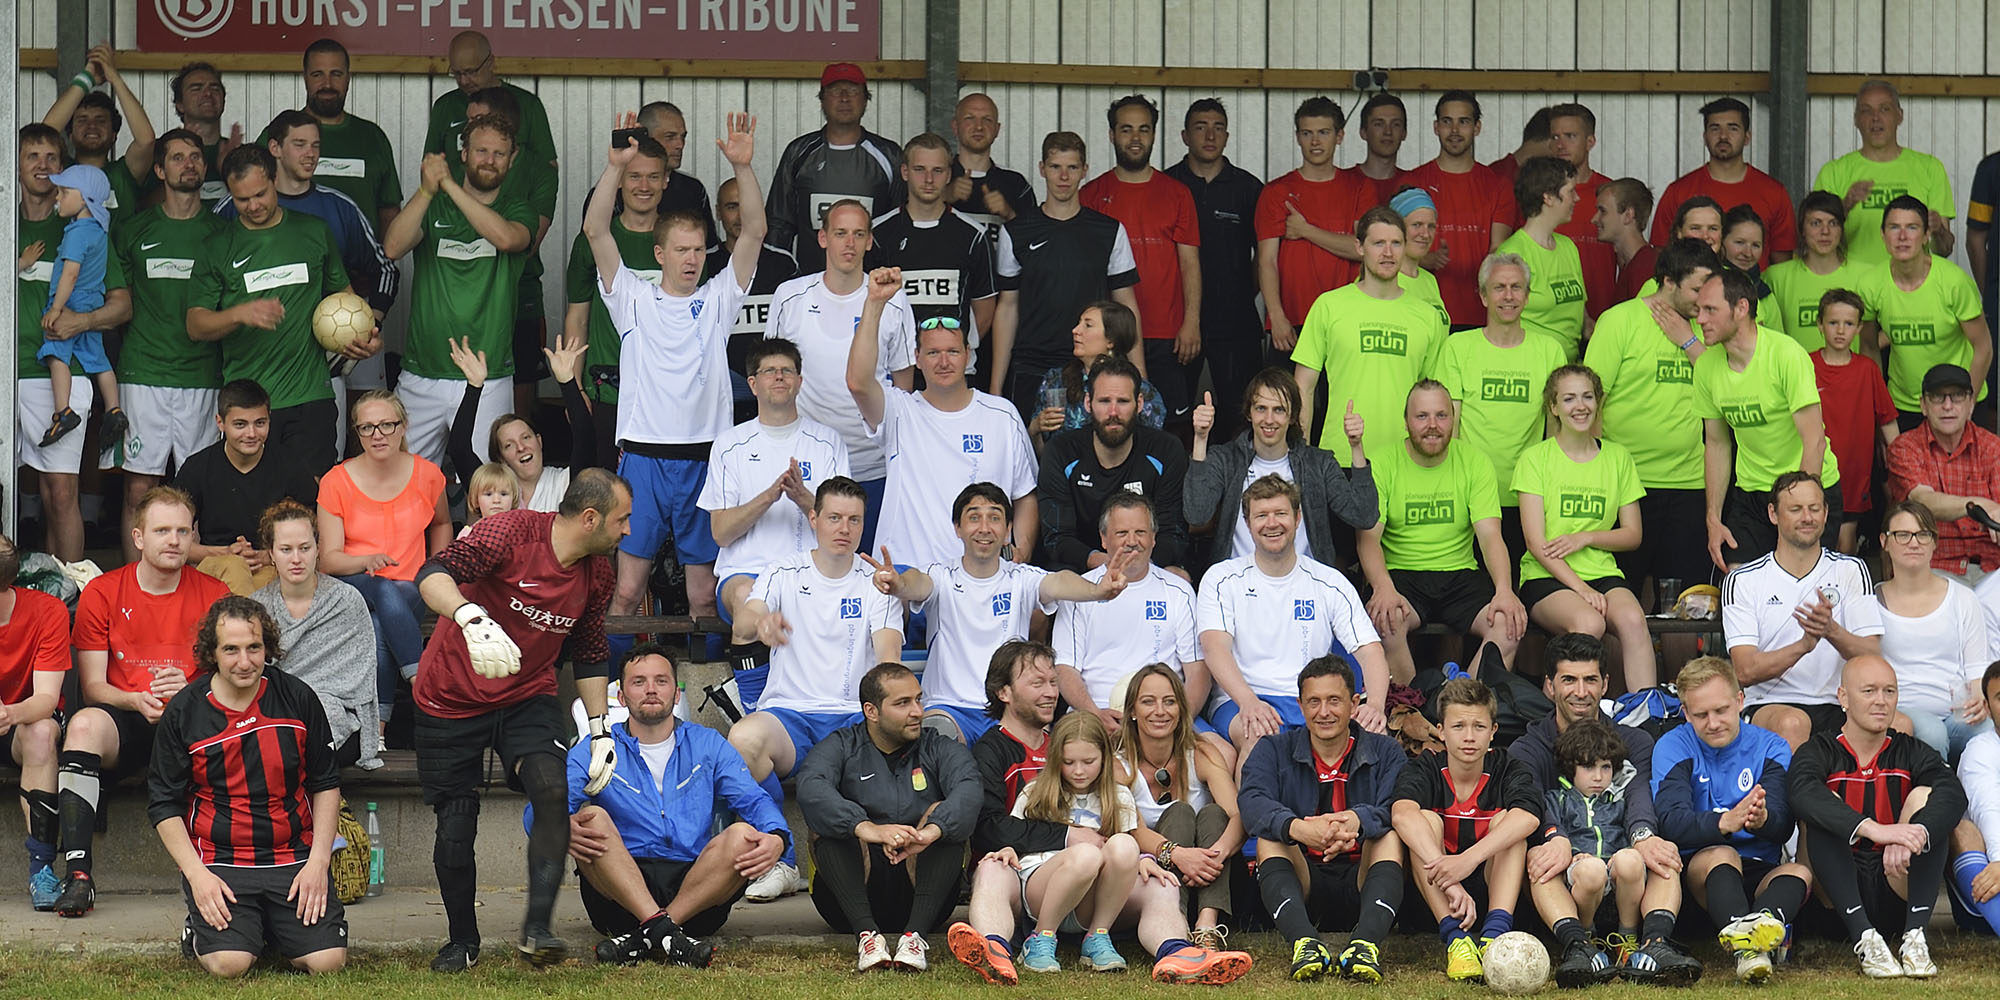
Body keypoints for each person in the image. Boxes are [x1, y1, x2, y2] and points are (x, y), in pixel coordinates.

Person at [410, 469, 627, 971]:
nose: (628, 531)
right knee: (455, 825)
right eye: (622, 520)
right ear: (590, 518)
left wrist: (599, 730)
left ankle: (537, 931)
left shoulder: (599, 573)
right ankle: (462, 940)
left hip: (528, 694)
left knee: (553, 790)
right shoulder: (510, 531)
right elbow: (432, 573)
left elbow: (590, 650)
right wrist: (469, 616)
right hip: (450, 695)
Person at [948, 643, 1251, 985]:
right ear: (1004, 691)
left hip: (1099, 896)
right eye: (1038, 683)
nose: (1051, 692)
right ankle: (995, 949)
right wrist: (1053, 839)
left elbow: (1125, 834)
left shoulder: (1089, 765)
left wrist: (1147, 858)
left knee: (1160, 884)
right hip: (1033, 883)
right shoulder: (998, 756)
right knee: (993, 867)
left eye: (1053, 682)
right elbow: (991, 828)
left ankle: (1176, 952)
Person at [589, 113, 764, 626]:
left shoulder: (718, 300)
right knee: (626, 592)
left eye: (698, 250)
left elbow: (753, 230)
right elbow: (596, 229)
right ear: (660, 253)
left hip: (705, 461)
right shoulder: (633, 300)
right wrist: (615, 168)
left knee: (704, 600)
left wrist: (744, 167)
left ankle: (708, 692)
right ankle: (613, 695)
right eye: (680, 250)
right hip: (642, 460)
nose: (690, 259)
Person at [53, 487, 231, 917]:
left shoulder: (215, 592)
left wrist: (188, 690)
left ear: (193, 537)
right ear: (138, 537)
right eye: (162, 530)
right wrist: (135, 699)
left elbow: (235, 676)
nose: (173, 540)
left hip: (193, 719)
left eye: (182, 531)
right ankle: (78, 876)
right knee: (82, 725)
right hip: (128, 715)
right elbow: (93, 686)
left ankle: (230, 868)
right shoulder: (102, 591)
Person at [149, 597, 346, 978]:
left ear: (267, 647)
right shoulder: (185, 711)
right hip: (221, 859)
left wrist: (319, 862)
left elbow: (326, 783)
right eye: (231, 650)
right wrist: (197, 876)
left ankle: (267, 925)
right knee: (230, 964)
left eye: (254, 648)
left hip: (292, 855)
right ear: (212, 653)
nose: (245, 661)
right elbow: (163, 804)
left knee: (327, 962)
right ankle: (206, 928)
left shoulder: (298, 698)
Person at [727, 477, 903, 902]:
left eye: (854, 520)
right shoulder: (782, 571)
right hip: (789, 716)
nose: (844, 528)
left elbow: (889, 658)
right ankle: (782, 859)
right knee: (743, 739)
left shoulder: (877, 582)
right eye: (834, 518)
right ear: (814, 518)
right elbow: (744, 621)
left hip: (852, 719)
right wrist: (762, 623)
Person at [565, 642, 788, 968]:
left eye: (661, 680)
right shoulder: (597, 747)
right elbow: (544, 807)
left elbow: (753, 799)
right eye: (638, 682)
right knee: (591, 817)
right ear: (622, 697)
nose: (651, 689)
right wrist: (558, 826)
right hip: (618, 894)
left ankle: (650, 934)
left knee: (742, 834)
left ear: (677, 693)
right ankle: (668, 934)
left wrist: (778, 836)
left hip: (697, 892)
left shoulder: (707, 743)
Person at [863, 483, 1130, 743]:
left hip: (1008, 709)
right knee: (938, 733)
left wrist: (1097, 590)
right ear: (958, 528)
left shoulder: (1021, 578)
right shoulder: (940, 575)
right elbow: (916, 582)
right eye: (974, 517)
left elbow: (1058, 582)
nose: (984, 528)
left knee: (1038, 734)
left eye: (994, 518)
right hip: (950, 710)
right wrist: (898, 584)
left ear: (1007, 530)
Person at [1509, 634, 1701, 984]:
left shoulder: (1636, 741)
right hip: (1570, 878)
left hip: (1627, 873)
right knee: (1537, 853)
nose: (1580, 691)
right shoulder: (1529, 746)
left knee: (1662, 853)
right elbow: (1531, 799)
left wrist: (1643, 836)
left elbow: (1640, 793)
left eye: (1590, 680)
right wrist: (1555, 836)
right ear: (1549, 687)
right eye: (1569, 680)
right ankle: (1578, 947)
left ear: (1605, 684)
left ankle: (1654, 944)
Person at [189, 145, 378, 477]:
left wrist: (366, 338)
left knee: (312, 498)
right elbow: (195, 325)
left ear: (274, 179)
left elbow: (347, 303)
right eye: (242, 199)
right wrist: (239, 314)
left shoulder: (313, 232)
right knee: (255, 504)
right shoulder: (217, 246)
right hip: (250, 405)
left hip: (310, 396)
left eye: (260, 194)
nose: (253, 205)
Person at [1790, 654, 1966, 978]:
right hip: (1835, 899)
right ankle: (1864, 938)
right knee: (1820, 805)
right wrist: (1875, 830)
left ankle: (1915, 936)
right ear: (1843, 697)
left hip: (1894, 883)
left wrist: (1914, 832)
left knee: (1926, 799)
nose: (1881, 701)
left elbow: (1954, 794)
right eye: (1869, 691)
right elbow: (1800, 793)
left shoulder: (1911, 750)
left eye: (1889, 691)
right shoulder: (1818, 750)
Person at [852, 265, 1038, 571]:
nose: (943, 361)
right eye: (933, 352)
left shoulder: (1002, 415)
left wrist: (1022, 551)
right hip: (908, 577)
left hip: (984, 576)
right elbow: (858, 382)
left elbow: (1025, 495)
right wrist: (874, 304)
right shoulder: (900, 411)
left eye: (952, 351)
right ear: (917, 357)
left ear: (968, 354)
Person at [798, 663, 977, 971]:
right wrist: (865, 827)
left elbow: (969, 789)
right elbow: (811, 787)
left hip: (926, 897)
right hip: (847, 901)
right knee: (827, 825)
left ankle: (914, 938)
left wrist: (930, 832)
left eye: (919, 700)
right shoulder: (842, 745)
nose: (918, 711)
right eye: (903, 703)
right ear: (872, 710)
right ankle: (867, 936)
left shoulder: (937, 746)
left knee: (945, 820)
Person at [1239, 655, 1407, 983]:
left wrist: (1357, 822)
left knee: (1390, 834)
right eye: (1313, 702)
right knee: (1271, 836)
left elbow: (1400, 805)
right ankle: (1304, 943)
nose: (1324, 712)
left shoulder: (1386, 751)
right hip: (1302, 880)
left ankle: (1365, 945)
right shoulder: (1272, 749)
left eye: (1334, 700)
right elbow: (1251, 802)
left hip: (1363, 877)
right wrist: (1300, 829)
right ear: (1300, 705)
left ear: (1354, 703)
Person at [381, 112, 535, 469]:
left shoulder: (518, 209)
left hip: (489, 374)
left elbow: (505, 238)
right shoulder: (432, 203)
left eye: (499, 153)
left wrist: (448, 185)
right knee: (405, 480)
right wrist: (426, 191)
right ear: (463, 153)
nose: (490, 160)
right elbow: (392, 247)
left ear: (512, 159)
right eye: (481, 151)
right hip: (423, 372)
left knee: (489, 486)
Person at [1199, 475, 1391, 758]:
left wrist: (1374, 704)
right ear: (1247, 523)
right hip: (1242, 699)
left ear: (1298, 518)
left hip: (1314, 700)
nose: (1272, 523)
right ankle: (1250, 806)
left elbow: (1369, 649)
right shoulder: (1221, 578)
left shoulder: (1329, 581)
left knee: (1373, 737)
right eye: (1261, 515)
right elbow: (1214, 648)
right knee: (1260, 739)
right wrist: (1248, 701)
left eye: (1281, 513)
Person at [1650, 656, 1812, 985]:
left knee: (1800, 872)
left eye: (1721, 710)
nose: (1713, 723)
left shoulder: (1771, 746)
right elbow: (1671, 822)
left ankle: (1760, 926)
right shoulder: (1672, 745)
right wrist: (1725, 822)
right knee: (1722, 853)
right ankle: (1749, 952)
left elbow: (1782, 825)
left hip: (1758, 869)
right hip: (1701, 877)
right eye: (1701, 714)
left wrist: (1762, 819)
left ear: (1740, 701)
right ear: (1685, 713)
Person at [768, 200, 916, 550]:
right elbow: (773, 382)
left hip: (873, 466)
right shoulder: (789, 297)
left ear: (869, 241)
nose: (849, 243)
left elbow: (904, 389)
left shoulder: (892, 300)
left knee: (869, 575)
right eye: (840, 233)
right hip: (808, 466)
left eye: (858, 234)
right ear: (822, 238)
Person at [1358, 380, 1526, 682]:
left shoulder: (1475, 461)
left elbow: (1490, 537)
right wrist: (1382, 586)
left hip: (1459, 573)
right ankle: (1411, 714)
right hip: (1401, 573)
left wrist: (1504, 589)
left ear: (1454, 417)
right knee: (1387, 620)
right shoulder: (1383, 462)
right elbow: (1368, 538)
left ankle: (1465, 708)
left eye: (1441, 415)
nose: (1432, 425)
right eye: (1422, 416)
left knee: (1507, 624)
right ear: (1406, 421)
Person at [111, 129, 227, 561]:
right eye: (177, 158)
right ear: (159, 170)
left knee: (194, 490)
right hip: (144, 375)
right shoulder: (134, 230)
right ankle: (134, 583)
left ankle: (190, 583)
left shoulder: (222, 230)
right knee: (139, 487)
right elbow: (115, 303)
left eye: (196, 156)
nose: (189, 164)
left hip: (203, 376)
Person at [18, 123, 131, 562]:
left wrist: (80, 320)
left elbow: (121, 306)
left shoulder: (82, 233)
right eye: (33, 157)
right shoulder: (7, 226)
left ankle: (67, 596)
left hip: (61, 373)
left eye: (52, 158)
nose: (43, 166)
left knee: (60, 492)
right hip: (8, 374)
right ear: (17, 164)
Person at [1585, 239, 1720, 603]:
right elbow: (1591, 402)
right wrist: (1599, 474)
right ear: (1668, 281)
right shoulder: (1620, 320)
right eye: (1695, 289)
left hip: (1689, 484)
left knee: (1687, 602)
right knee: (1616, 598)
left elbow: (1725, 390)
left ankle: (1684, 666)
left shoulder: (1708, 327)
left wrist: (1690, 340)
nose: (1702, 300)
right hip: (1627, 486)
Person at [1513, 366, 1656, 689]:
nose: (1580, 406)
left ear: (1598, 402)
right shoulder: (1535, 459)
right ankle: (1576, 716)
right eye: (1569, 398)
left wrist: (1586, 537)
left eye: (1588, 396)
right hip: (1546, 575)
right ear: (1554, 407)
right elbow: (1537, 543)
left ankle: (1645, 718)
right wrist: (1581, 589)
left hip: (1602, 572)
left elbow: (1632, 535)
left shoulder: (1618, 458)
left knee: (1634, 620)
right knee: (1588, 622)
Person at [316, 391, 451, 726]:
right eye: (367, 428)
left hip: (410, 588)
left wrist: (437, 568)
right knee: (383, 589)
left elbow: (443, 523)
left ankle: (376, 730)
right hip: (351, 586)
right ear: (357, 433)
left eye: (386, 425)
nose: (377, 435)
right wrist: (366, 562)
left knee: (382, 618)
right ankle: (423, 685)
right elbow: (328, 561)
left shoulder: (428, 474)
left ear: (403, 427)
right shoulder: (337, 481)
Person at [1391, 676, 1539, 982]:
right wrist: (1450, 879)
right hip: (1438, 897)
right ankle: (1456, 941)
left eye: (1479, 727)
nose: (1469, 737)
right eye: (1458, 727)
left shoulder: (1508, 767)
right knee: (1424, 821)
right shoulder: (1426, 767)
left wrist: (1466, 860)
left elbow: (1529, 817)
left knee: (1508, 824)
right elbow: (1401, 815)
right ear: (1441, 731)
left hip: (1492, 887)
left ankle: (1492, 939)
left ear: (1493, 732)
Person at [1721, 472, 1884, 749]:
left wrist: (1831, 631)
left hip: (1840, 702)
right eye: (1795, 509)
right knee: (1794, 723)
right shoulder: (1744, 579)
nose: (1807, 517)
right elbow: (1745, 671)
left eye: (1814, 508)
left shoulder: (1851, 570)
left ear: (1826, 513)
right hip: (1770, 704)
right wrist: (1804, 645)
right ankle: (1798, 794)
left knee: (1901, 723)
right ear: (1773, 514)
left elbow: (1872, 656)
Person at [989, 130, 1141, 422]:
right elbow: (1007, 307)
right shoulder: (1016, 232)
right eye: (1056, 167)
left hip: (1092, 367)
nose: (1063, 176)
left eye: (1072, 167)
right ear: (1042, 169)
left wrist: (1139, 375)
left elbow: (1126, 307)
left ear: (1085, 171)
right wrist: (996, 388)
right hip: (1031, 364)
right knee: (1030, 456)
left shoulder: (1109, 231)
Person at [1694, 268, 1842, 568]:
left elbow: (1813, 442)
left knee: (1801, 599)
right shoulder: (1707, 366)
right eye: (1698, 310)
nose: (1700, 319)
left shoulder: (1785, 353)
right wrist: (1713, 518)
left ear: (1741, 308)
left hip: (1807, 487)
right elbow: (1717, 445)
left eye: (1710, 309)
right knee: (1738, 585)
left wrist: (1801, 510)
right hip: (1752, 493)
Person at [700, 338, 852, 626]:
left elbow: (845, 525)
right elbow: (720, 533)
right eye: (769, 371)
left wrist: (803, 496)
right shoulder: (729, 444)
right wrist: (768, 497)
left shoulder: (828, 442)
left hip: (814, 570)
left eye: (787, 370)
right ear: (754, 384)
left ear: (799, 382)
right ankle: (754, 674)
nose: (779, 376)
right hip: (746, 572)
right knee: (750, 597)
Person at [1438, 252, 1569, 557]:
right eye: (1499, 288)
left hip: (1528, 496)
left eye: (1516, 287)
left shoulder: (1550, 350)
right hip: (1472, 496)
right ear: (1483, 296)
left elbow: (1556, 432)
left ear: (1527, 295)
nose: (1508, 296)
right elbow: (1450, 427)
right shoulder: (1457, 347)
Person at [1291, 205, 1447, 459]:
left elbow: (1434, 397)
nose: (1388, 252)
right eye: (1378, 243)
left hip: (1405, 460)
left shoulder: (1428, 316)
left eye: (1396, 243)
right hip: (1339, 456)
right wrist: (1301, 457)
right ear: (1359, 247)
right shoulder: (1329, 306)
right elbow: (1303, 388)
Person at [1082, 95, 1203, 421]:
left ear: (1153, 135)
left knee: (1169, 425)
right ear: (1111, 135)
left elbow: (1189, 262)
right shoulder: (1091, 194)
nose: (1135, 138)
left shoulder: (1177, 193)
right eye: (1126, 129)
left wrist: (1191, 322)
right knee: (1111, 423)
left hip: (1167, 333)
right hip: (1109, 336)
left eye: (1144, 130)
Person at [1188, 366, 1377, 569]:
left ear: (1293, 416)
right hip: (1239, 583)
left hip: (1305, 585)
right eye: (1261, 408)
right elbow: (1196, 515)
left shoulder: (1318, 462)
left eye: (1279, 410)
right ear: (1249, 413)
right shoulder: (1226, 459)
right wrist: (1200, 439)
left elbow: (1363, 516)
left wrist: (1356, 446)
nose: (1269, 419)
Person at [222, 111, 397, 326]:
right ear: (275, 148)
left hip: (327, 346)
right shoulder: (233, 207)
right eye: (299, 144)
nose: (310, 153)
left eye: (315, 145)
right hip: (252, 349)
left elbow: (385, 269)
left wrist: (372, 323)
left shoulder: (340, 207)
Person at [1052, 493, 1207, 726]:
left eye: (1141, 532)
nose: (1132, 541)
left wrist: (1179, 722)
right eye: (1122, 533)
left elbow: (1198, 671)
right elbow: (1064, 670)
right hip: (1094, 714)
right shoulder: (1080, 591)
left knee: (1221, 753)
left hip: (1165, 716)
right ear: (1103, 539)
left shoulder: (1179, 591)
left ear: (1154, 538)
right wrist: (1095, 714)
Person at [1118, 663, 1243, 944]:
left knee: (1213, 813)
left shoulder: (1201, 752)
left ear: (1181, 709)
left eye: (1169, 701)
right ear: (1132, 712)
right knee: (1180, 811)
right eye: (1148, 702)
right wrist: (1179, 855)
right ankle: (1176, 921)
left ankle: (1207, 927)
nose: (1160, 711)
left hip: (1211, 873)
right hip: (1151, 876)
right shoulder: (1119, 763)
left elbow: (1238, 815)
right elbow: (1132, 830)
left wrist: (1214, 857)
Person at [249, 500, 380, 769]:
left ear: (317, 549)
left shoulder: (346, 601)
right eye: (286, 549)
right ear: (271, 554)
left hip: (338, 719)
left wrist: (308, 701)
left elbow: (361, 676)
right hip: (271, 716)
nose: (296, 559)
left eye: (304, 548)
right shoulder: (256, 608)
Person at [566, 132, 673, 447]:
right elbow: (578, 318)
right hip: (605, 389)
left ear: (666, 180)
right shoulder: (593, 241)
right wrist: (575, 389)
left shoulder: (682, 240)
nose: (644, 186)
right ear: (620, 182)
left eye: (653, 177)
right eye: (634, 176)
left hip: (664, 393)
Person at [1167, 98, 1264, 438]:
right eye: (1200, 127)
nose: (1210, 136)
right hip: (1177, 321)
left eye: (1218, 128)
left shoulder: (1248, 189)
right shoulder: (1167, 186)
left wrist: (1240, 292)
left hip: (1236, 321)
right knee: (1174, 415)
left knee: (1242, 413)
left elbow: (1265, 256)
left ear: (1227, 136)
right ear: (1184, 136)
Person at [1039, 358, 1189, 572]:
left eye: (1123, 401)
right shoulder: (1061, 451)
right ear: (1088, 403)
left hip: (1149, 565)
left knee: (1180, 576)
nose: (1113, 413)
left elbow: (1173, 534)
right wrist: (1102, 563)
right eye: (1104, 401)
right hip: (1082, 568)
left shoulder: (1165, 450)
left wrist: (1137, 567)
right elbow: (1057, 538)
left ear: (1140, 403)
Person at [174, 381, 320, 596]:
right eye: (240, 425)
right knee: (235, 567)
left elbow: (315, 537)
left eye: (260, 423)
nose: (251, 433)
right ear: (220, 423)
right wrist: (225, 553)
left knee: (271, 578)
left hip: (274, 564)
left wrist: (267, 555)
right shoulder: (198, 468)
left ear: (270, 419)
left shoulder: (290, 466)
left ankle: (245, 625)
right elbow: (172, 541)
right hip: (214, 566)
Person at [1536, 720, 1655, 986]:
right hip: (1581, 880)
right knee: (1592, 870)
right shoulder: (1558, 799)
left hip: (1619, 884)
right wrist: (1574, 853)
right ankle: (1587, 941)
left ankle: (1627, 940)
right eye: (1589, 767)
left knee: (1631, 859)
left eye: (1606, 767)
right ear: (1571, 767)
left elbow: (1630, 835)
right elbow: (1556, 834)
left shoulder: (1619, 802)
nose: (1599, 777)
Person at [1857, 195, 1992, 425]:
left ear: (1927, 235)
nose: (1902, 237)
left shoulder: (1953, 282)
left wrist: (1966, 405)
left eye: (1912, 227)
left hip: (1957, 401)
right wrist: (1880, 410)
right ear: (1883, 235)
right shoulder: (1870, 284)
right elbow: (1869, 348)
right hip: (1903, 404)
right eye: (1894, 227)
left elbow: (1983, 347)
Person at [1870, 501, 1989, 759]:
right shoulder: (1871, 602)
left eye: (1923, 535)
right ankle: (1938, 797)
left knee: (1988, 729)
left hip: (1957, 710)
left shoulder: (1963, 597)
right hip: (1902, 710)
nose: (1914, 543)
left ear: (1934, 542)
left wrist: (1980, 699)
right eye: (1902, 535)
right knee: (1932, 734)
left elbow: (1977, 669)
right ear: (1884, 541)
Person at [764, 63, 902, 274]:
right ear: (822, 99)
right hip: (809, 285)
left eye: (853, 91)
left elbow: (899, 224)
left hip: (870, 286)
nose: (844, 98)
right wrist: (775, 275)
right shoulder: (799, 152)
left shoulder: (889, 155)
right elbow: (779, 223)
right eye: (836, 91)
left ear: (866, 99)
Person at [867, 133, 998, 354]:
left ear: (948, 175)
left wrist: (950, 355)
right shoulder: (878, 233)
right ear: (905, 172)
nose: (929, 179)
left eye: (937, 171)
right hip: (893, 367)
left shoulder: (973, 235)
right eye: (920, 169)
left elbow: (984, 313)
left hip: (952, 371)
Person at [1257, 97, 1363, 353]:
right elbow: (1266, 261)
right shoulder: (1276, 192)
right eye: (1307, 133)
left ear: (1340, 136)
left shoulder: (1358, 187)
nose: (1315, 141)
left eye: (1324, 132)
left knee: (1341, 395)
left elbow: (1361, 248)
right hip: (1292, 322)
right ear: (1297, 137)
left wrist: (1305, 230)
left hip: (1347, 320)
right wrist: (1276, 316)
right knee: (1288, 395)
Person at [446, 333, 596, 514]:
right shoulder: (493, 490)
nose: (521, 447)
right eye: (509, 445)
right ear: (501, 458)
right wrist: (474, 386)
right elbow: (458, 449)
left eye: (526, 437)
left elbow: (585, 438)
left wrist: (567, 381)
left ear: (539, 441)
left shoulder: (565, 481)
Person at [0, 534, 71, 910]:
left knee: (42, 733)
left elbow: (45, 700)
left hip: (21, 719)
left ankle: (41, 868)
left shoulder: (47, 611)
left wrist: (9, 713)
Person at [1814, 80, 1955, 267]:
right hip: (1851, 289)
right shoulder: (1833, 172)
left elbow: (1944, 250)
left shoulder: (1930, 168)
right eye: (1866, 110)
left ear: (1900, 116)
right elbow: (1814, 243)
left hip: (1909, 287)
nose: (1875, 118)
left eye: (1885, 109)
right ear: (1856, 119)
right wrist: (1845, 206)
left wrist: (1937, 230)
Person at [35, 163, 122, 451]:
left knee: (55, 351)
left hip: (71, 302)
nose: (57, 196)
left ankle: (64, 412)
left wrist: (56, 309)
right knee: (98, 359)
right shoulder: (98, 230)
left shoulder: (77, 233)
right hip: (92, 299)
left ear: (84, 198)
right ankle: (113, 409)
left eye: (64, 192)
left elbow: (70, 273)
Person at [1885, 363, 2000, 580]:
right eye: (1938, 397)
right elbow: (1924, 501)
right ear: (1923, 405)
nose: (1948, 406)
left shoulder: (1993, 448)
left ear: (1971, 405)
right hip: (1931, 568)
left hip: (1991, 568)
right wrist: (1981, 506)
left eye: (1957, 397)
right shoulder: (1904, 447)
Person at [1408, 90, 1513, 328]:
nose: (1454, 130)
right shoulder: (1413, 183)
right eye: (1447, 122)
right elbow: (1395, 249)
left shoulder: (1498, 185)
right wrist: (1424, 259)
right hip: (1422, 313)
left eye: (1463, 122)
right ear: (1436, 127)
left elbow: (1498, 250)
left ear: (1477, 128)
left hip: (1482, 314)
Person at [1651, 98, 1796, 266]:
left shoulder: (1774, 193)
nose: (1723, 136)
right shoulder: (1678, 192)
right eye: (1715, 128)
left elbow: (1782, 266)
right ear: (1705, 137)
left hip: (1755, 291)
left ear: (1747, 137)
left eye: (1733, 128)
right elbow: (1661, 257)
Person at [1812, 289, 1899, 552]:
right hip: (1815, 469)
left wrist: (1903, 462)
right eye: (1833, 322)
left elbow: (1887, 420)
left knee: (1845, 542)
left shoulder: (1867, 369)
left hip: (1854, 472)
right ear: (1819, 324)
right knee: (1813, 538)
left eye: (1849, 324)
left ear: (1859, 328)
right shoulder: (1805, 365)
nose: (1840, 330)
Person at [41, 43, 156, 226]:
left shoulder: (122, 174)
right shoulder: (61, 171)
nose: (92, 126)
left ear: (114, 135)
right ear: (69, 135)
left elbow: (146, 140)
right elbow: (43, 136)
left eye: (101, 121)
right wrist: (86, 78)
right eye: (82, 120)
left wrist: (115, 78)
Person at [294, 38, 400, 231]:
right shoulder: (281, 132)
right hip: (299, 259)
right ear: (305, 78)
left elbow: (389, 210)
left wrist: (384, 258)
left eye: (336, 74)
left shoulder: (373, 137)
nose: (327, 84)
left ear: (348, 78)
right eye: (318, 74)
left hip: (363, 260)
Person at [1495, 156, 1589, 360]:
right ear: (1548, 197)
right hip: (1529, 364)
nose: (1577, 198)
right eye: (1570, 191)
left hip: (1568, 370)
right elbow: (1500, 321)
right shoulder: (1513, 254)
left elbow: (1582, 315)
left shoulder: (1568, 247)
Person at [424, 30, 555, 173]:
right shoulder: (445, 106)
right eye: (457, 73)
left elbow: (548, 168)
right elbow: (429, 166)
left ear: (491, 63)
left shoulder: (527, 104)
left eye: (471, 72)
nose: (464, 81)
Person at [1035, 300, 1167, 434]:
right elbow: (1040, 450)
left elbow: (1152, 445)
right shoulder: (1056, 379)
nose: (1075, 330)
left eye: (1088, 325)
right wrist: (1036, 428)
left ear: (1110, 340)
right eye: (1078, 323)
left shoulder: (1141, 390)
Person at [1766, 192, 1868, 352]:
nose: (1825, 231)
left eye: (1833, 223)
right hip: (1794, 375)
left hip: (1847, 375)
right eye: (1815, 223)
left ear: (1842, 229)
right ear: (1802, 229)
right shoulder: (1776, 277)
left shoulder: (1865, 275)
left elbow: (1881, 333)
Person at [1947, 661, 2000, 934]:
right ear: (1988, 708)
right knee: (1962, 829)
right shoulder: (1980, 750)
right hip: (1988, 880)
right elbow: (1988, 809)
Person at [947, 93, 1035, 236]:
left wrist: (1009, 214)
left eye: (987, 119)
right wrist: (943, 197)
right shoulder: (934, 176)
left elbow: (1034, 245)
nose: (979, 126)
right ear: (955, 127)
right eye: (970, 118)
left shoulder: (1016, 184)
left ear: (997, 129)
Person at [164, 62, 234, 205]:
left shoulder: (236, 152)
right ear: (180, 104)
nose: (208, 93)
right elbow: (145, 205)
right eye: (196, 89)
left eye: (215, 88)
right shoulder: (163, 151)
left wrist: (230, 170)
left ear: (223, 101)